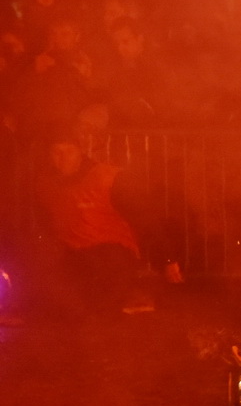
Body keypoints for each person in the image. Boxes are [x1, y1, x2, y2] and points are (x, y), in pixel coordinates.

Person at [33, 135, 166, 315]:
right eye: (57, 153)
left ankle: (125, 297)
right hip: (73, 254)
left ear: (80, 152)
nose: (63, 159)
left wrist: (168, 259)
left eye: (69, 152)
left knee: (99, 300)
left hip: (111, 252)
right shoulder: (45, 183)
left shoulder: (107, 177)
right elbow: (43, 223)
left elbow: (144, 217)